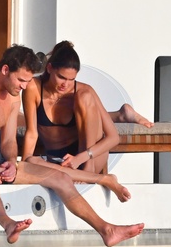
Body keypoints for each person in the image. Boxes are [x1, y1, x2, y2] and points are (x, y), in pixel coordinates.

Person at [0, 44, 145, 246]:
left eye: (27, 81)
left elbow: (8, 140)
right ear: (5, 69)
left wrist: (12, 162)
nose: (24, 87)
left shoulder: (12, 96)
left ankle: (106, 230)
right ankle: (8, 225)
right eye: (21, 80)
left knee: (60, 178)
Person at [22, 40, 153, 176]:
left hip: (87, 158)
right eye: (61, 77)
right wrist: (25, 166)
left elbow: (113, 137)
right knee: (31, 161)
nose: (65, 84)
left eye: (71, 79)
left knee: (84, 97)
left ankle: (88, 172)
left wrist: (83, 158)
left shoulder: (85, 91)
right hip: (57, 160)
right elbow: (31, 132)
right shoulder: (34, 88)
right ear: (49, 68)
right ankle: (120, 115)